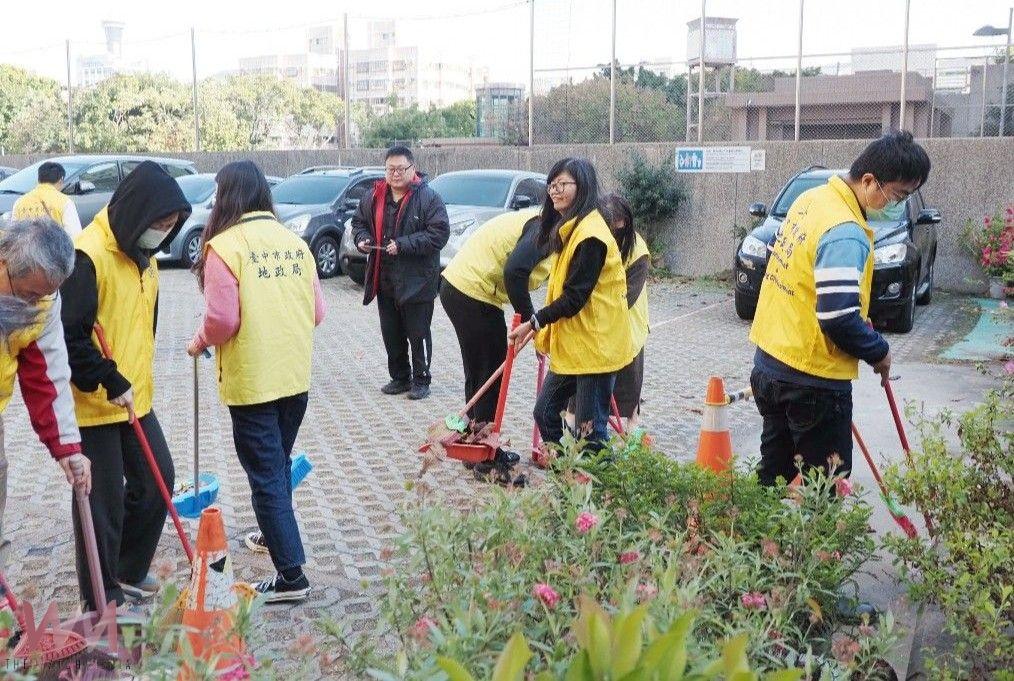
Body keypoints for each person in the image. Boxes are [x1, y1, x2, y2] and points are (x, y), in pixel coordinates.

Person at [749, 130, 931, 487]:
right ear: (868, 181)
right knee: (824, 492)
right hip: (812, 382)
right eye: (898, 195)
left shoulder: (811, 200)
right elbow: (838, 316)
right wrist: (878, 350)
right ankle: (814, 545)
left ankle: (762, 544)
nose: (898, 203)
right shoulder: (845, 229)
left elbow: (806, 280)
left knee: (774, 480)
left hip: (770, 367)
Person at [187, 161, 325, 603]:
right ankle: (275, 533)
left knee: (266, 477)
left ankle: (291, 576)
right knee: (277, 467)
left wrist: (199, 339)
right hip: (293, 376)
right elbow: (319, 313)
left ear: (226, 196)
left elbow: (223, 320)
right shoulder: (295, 243)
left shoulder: (224, 247)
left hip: (253, 382)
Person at [60, 161, 190, 610]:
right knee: (102, 502)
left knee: (158, 482)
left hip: (135, 396)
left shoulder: (144, 256)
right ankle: (100, 599)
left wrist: (132, 378)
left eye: (171, 227)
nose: (162, 234)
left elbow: (143, 324)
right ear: (136, 213)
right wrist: (107, 376)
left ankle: (128, 571)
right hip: (94, 401)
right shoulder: (87, 256)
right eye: (158, 225)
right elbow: (70, 338)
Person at [508, 158, 632, 451]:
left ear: (583, 187)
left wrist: (534, 322)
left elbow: (575, 298)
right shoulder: (571, 230)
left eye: (563, 184)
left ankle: (599, 492)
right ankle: (569, 477)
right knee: (545, 412)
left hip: (594, 348)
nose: (555, 191)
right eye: (551, 185)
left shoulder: (592, 236)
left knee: (590, 433)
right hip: (575, 346)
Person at [0, 218, 91, 570]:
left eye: (43, 295)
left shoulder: (42, 304)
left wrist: (67, 447)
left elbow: (49, 375)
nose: (33, 303)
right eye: (26, 294)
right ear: (5, 262)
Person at [440, 207, 556, 479]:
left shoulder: (545, 223)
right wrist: (532, 321)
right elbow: (515, 272)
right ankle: (488, 460)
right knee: (491, 375)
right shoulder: (546, 228)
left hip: (460, 288)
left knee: (482, 373)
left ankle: (475, 447)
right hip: (472, 292)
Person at [350, 145, 449, 401]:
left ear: (412, 169)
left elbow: (438, 234)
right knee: (391, 332)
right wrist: (362, 239)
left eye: (400, 169)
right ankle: (400, 377)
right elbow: (358, 223)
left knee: (418, 333)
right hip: (384, 277)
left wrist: (403, 245)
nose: (395, 174)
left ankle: (421, 379)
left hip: (417, 280)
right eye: (390, 169)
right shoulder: (374, 196)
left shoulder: (428, 198)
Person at [564, 194, 650, 432]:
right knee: (582, 381)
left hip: (627, 323)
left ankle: (632, 427)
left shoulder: (638, 252)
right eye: (610, 229)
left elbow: (626, 299)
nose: (615, 236)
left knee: (628, 383)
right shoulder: (592, 239)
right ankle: (573, 429)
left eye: (620, 231)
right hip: (592, 325)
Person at [12, 162, 83, 237]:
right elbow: (74, 236)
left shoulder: (20, 202)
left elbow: (14, 234)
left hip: (26, 248)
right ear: (61, 179)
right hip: (54, 248)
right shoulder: (65, 202)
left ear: (39, 180)